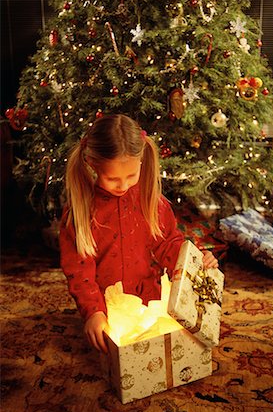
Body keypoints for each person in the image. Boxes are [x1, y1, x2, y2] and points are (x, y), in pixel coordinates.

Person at [60, 114, 218, 353]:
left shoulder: (151, 201)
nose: (123, 186)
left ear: (142, 162)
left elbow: (169, 244)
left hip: (151, 303)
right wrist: (93, 311)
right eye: (112, 179)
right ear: (92, 165)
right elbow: (79, 269)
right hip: (108, 310)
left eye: (131, 176)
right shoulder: (80, 211)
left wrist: (194, 263)